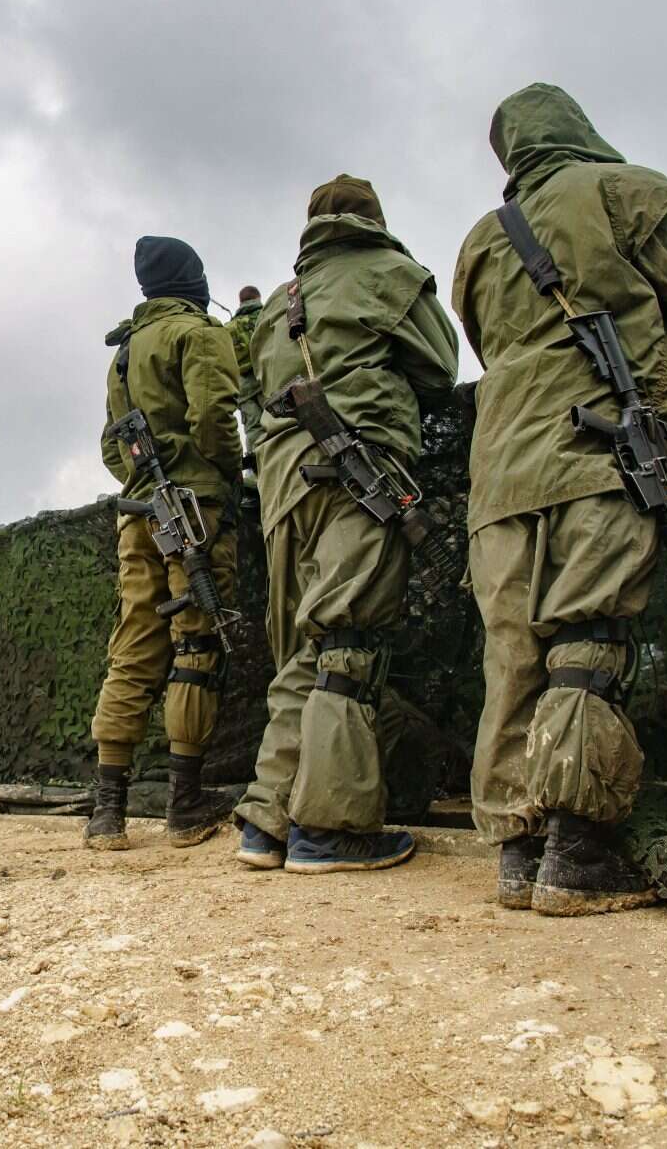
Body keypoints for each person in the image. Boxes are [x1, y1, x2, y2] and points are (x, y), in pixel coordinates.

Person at [453, 83, 667, 915]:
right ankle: (577, 852)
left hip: (497, 477)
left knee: (513, 655)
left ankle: (518, 852)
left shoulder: (478, 242)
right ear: (575, 126)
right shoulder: (623, 190)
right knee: (588, 638)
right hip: (600, 451)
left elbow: (486, 342)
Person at [232, 175, 459, 872]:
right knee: (348, 641)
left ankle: (267, 818)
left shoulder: (281, 302)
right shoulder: (393, 275)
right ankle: (328, 830)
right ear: (374, 220)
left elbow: (261, 392)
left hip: (283, 485)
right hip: (360, 470)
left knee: (310, 647)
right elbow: (441, 367)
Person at [87, 235, 243, 850]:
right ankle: (185, 805)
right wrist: (222, 474)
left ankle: (107, 811)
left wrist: (140, 479)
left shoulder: (124, 352)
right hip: (196, 512)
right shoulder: (199, 334)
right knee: (195, 643)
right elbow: (214, 418)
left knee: (133, 645)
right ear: (193, 280)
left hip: (139, 515)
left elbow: (111, 445)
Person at [227, 285, 267, 459]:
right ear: (257, 298)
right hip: (266, 380)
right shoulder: (266, 316)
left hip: (243, 390)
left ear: (240, 302)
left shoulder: (229, 327)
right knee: (279, 423)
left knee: (253, 430)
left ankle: (260, 468)